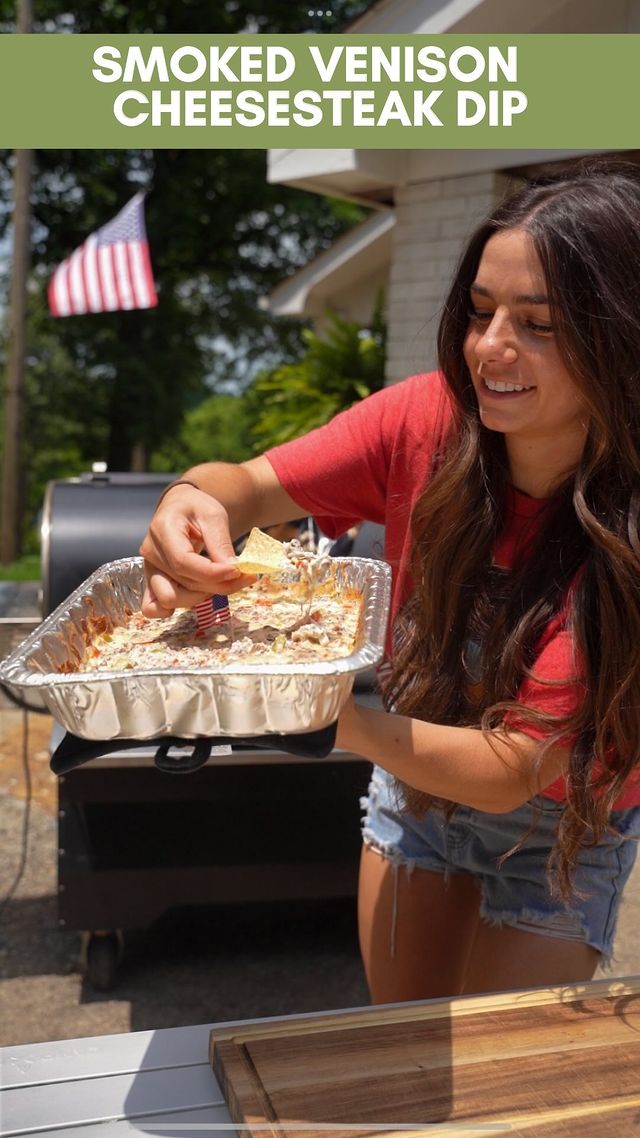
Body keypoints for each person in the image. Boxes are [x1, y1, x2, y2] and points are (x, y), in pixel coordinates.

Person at [140, 158, 640, 1003]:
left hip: (565, 827)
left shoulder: (625, 534)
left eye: (538, 324)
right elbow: (250, 484)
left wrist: (320, 714)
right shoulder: (423, 420)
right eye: (480, 310)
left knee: (499, 1070)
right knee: (402, 1041)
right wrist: (188, 500)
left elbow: (515, 766)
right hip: (417, 790)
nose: (490, 347)